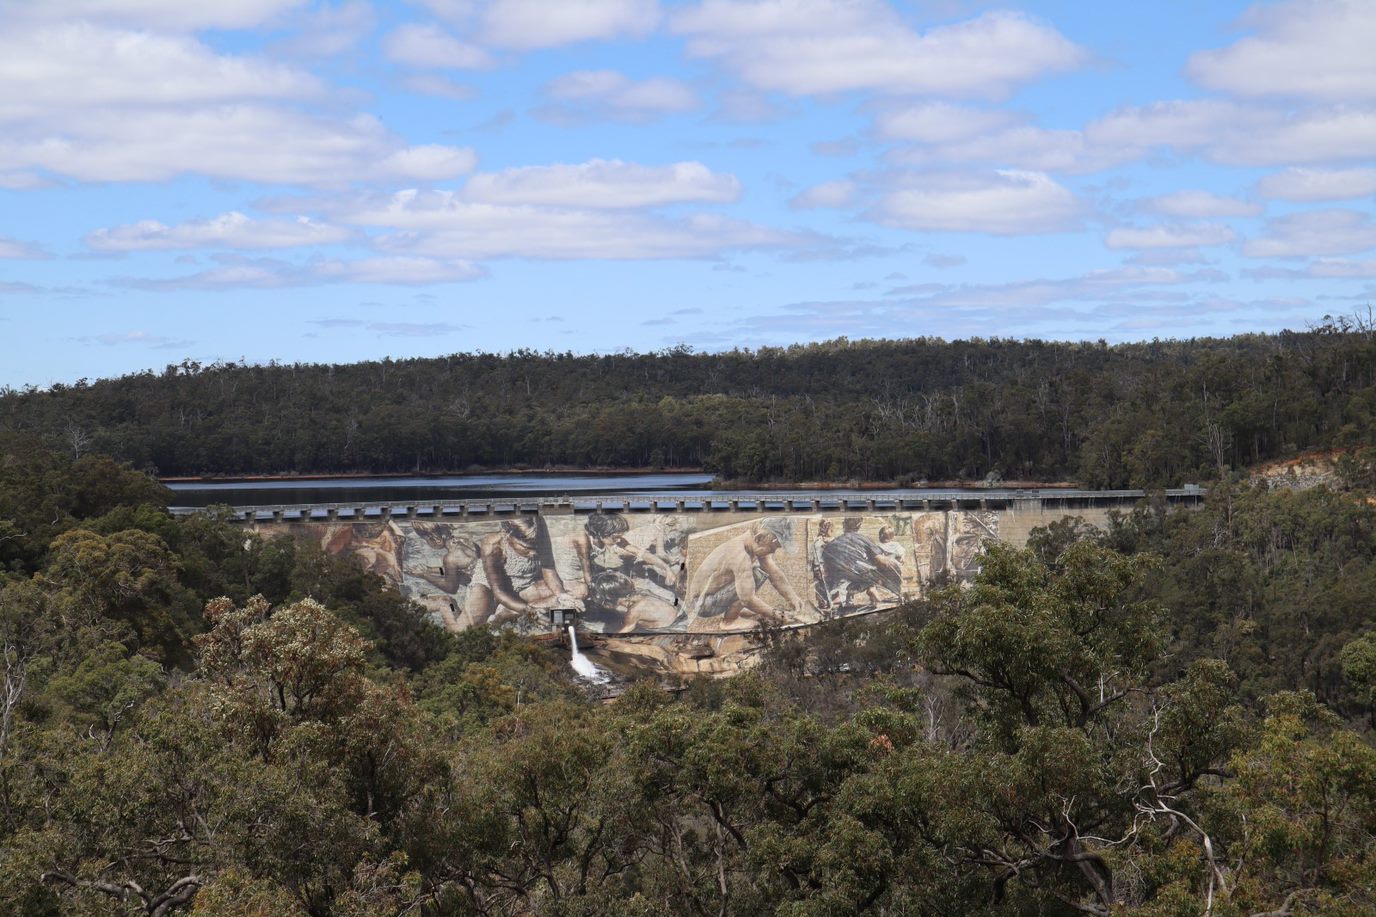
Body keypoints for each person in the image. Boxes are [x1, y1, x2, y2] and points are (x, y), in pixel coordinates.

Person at [684, 518, 804, 629]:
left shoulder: (753, 545)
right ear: (759, 538)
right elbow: (747, 598)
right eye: (772, 547)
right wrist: (778, 615)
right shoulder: (739, 554)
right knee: (756, 575)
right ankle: (729, 621)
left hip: (711, 598)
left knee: (754, 574)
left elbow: (775, 573)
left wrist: (792, 597)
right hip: (702, 605)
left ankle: (734, 609)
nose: (773, 551)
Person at [461, 516, 567, 628]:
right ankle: (446, 604)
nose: (534, 553)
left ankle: (508, 612)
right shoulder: (492, 545)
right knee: (469, 628)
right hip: (491, 586)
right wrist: (529, 611)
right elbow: (499, 592)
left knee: (575, 592)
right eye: (527, 547)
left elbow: (548, 568)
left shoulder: (537, 526)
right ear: (507, 535)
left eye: (535, 546)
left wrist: (563, 596)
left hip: (524, 583)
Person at [821, 517, 902, 610]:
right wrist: (893, 563)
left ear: (844, 525)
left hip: (837, 575)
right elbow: (880, 560)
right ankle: (890, 592)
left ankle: (854, 592)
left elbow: (825, 565)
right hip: (858, 573)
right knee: (889, 566)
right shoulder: (863, 538)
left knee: (855, 573)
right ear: (859, 525)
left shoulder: (833, 542)